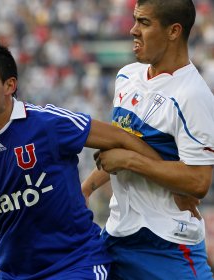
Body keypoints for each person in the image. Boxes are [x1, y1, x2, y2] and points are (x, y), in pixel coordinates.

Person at [0, 36, 162, 280]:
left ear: (9, 85)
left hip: (77, 264)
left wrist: (176, 184)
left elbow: (123, 138)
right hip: (15, 273)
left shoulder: (47, 125)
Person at [82, 0, 214, 279]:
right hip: (118, 234)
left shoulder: (193, 95)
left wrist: (130, 160)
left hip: (167, 244)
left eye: (144, 23)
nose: (132, 30)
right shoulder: (126, 76)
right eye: (134, 20)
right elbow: (121, 145)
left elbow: (198, 181)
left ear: (173, 31)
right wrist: (87, 187)